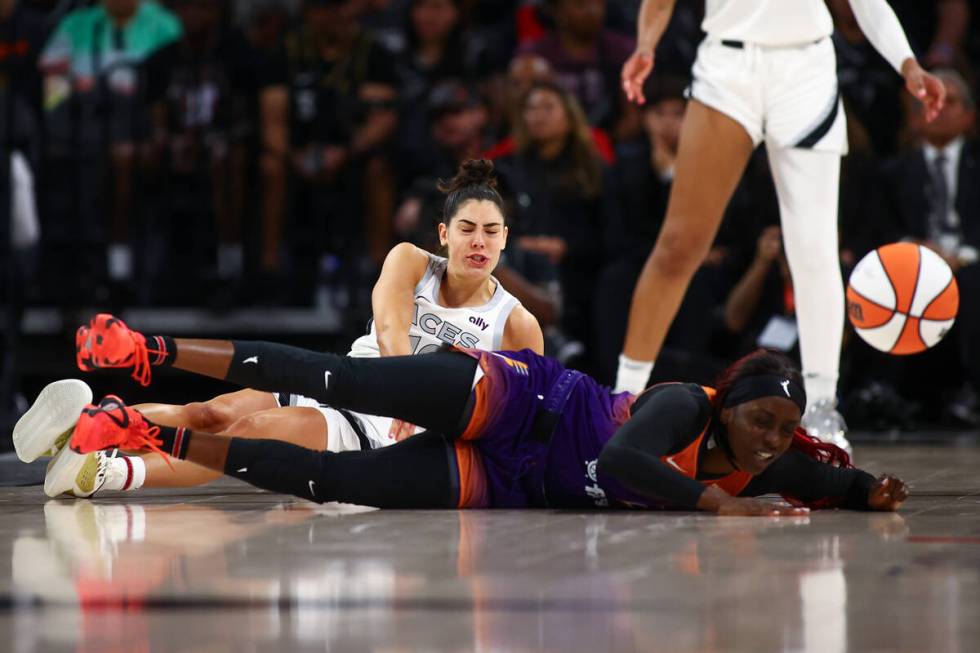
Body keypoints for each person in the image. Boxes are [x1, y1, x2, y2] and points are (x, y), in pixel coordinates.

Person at [20, 159, 543, 498]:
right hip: (339, 380)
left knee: (243, 434)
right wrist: (404, 390)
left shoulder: (516, 323)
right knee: (205, 411)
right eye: (467, 229)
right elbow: (389, 327)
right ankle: (82, 431)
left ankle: (104, 474)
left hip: (377, 432)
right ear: (443, 234)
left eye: (491, 232)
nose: (479, 242)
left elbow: (514, 423)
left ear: (505, 239)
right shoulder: (410, 260)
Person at [59, 319, 907, 515]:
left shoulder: (765, 457)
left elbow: (826, 478)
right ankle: (144, 351)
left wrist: (871, 492)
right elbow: (618, 466)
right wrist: (714, 505)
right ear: (733, 398)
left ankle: (150, 433)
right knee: (337, 377)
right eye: (760, 418)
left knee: (335, 481)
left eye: (775, 430)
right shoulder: (687, 403)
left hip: (512, 477)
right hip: (518, 399)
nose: (765, 438)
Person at [614, 0, 947, 453]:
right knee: (679, 244)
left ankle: (823, 409)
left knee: (813, 248)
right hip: (728, 66)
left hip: (805, 69)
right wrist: (646, 46)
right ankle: (622, 403)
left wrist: (908, 64)